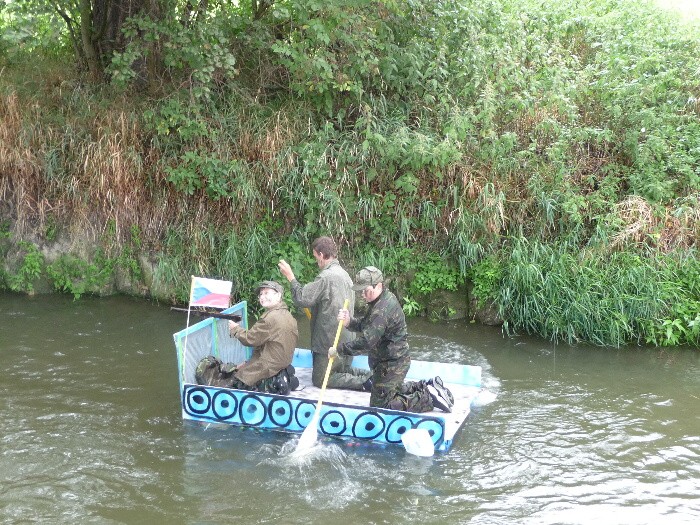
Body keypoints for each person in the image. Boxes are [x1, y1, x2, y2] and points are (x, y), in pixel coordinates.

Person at [328, 266, 454, 413]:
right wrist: (350, 322)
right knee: (390, 390)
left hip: (392, 364)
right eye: (361, 291)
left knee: (381, 406)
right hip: (388, 362)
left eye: (366, 290)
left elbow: (368, 342)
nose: (363, 294)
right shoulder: (380, 300)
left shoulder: (382, 309)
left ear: (379, 286)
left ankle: (428, 398)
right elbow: (369, 326)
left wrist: (339, 350)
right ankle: (426, 385)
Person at [278, 236, 369, 390]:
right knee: (343, 370)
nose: (316, 262)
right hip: (348, 342)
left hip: (330, 344)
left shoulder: (326, 277)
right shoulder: (345, 275)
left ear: (321, 254)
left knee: (320, 379)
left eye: (315, 257)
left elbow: (302, 298)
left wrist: (290, 277)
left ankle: (365, 383)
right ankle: (370, 376)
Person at [195, 280, 299, 394]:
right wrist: (248, 362)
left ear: (278, 295)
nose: (262, 297)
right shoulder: (287, 314)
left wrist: (235, 329)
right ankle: (280, 377)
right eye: (261, 294)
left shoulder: (270, 318)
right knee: (242, 369)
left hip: (269, 364)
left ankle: (267, 384)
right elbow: (263, 341)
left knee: (237, 382)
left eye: (266, 293)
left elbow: (250, 339)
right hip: (281, 361)